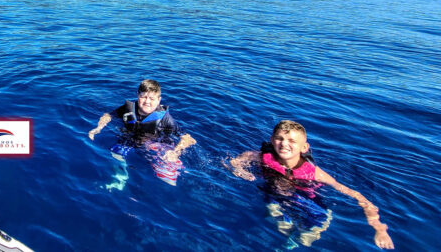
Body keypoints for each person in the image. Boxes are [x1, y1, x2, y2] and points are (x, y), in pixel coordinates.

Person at [229, 120, 394, 249]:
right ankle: (286, 240)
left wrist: (379, 228)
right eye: (279, 138)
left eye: (291, 141)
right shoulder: (261, 157)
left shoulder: (314, 173)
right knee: (281, 224)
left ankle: (292, 245)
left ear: (304, 147)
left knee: (313, 232)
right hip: (273, 193)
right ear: (272, 140)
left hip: (306, 197)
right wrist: (240, 170)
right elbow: (236, 161)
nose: (284, 144)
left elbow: (356, 195)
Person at [88, 79, 196, 186]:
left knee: (168, 172)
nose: (147, 102)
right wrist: (98, 128)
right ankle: (120, 178)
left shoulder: (165, 118)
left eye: (152, 99)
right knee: (116, 152)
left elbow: (188, 138)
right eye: (143, 97)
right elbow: (108, 115)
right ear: (138, 95)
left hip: (155, 142)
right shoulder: (127, 109)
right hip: (130, 138)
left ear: (159, 100)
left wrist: (175, 151)